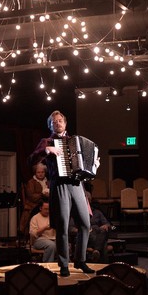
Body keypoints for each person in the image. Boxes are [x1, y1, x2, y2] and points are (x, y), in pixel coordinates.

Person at [29, 110, 99, 277]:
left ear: (65, 123)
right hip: (59, 185)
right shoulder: (47, 142)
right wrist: (47, 151)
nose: (57, 123)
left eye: (60, 121)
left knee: (85, 224)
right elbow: (30, 160)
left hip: (77, 184)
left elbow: (85, 166)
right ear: (50, 125)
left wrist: (94, 164)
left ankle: (80, 261)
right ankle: (64, 264)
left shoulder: (74, 141)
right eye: (54, 122)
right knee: (63, 227)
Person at [70, 190, 113, 263]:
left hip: (97, 234)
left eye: (88, 200)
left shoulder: (97, 212)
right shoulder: (75, 212)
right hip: (84, 237)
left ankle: (96, 251)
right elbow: (70, 228)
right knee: (103, 245)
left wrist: (106, 226)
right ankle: (102, 265)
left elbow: (108, 225)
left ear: (90, 201)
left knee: (102, 231)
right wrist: (81, 230)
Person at [19, 163, 50, 242]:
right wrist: (42, 194)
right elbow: (31, 196)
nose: (40, 174)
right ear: (35, 173)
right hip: (33, 205)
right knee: (37, 210)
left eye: (42, 172)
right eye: (38, 172)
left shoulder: (48, 182)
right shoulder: (31, 182)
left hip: (47, 204)